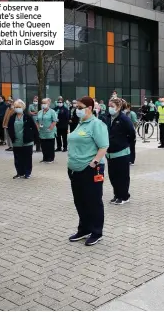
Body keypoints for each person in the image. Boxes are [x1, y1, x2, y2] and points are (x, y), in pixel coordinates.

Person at [67, 96, 109, 246]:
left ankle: (97, 232)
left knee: (93, 201)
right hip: (74, 169)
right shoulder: (80, 124)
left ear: (90, 108)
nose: (76, 110)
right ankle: (84, 229)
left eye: (80, 107)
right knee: (80, 201)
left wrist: (94, 163)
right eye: (76, 107)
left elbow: (103, 146)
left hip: (89, 170)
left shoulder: (96, 124)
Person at [104, 98, 136, 205]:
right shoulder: (108, 118)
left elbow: (132, 134)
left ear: (118, 107)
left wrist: (124, 143)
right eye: (109, 106)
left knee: (122, 176)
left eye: (112, 106)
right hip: (110, 153)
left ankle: (124, 196)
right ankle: (116, 195)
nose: (110, 108)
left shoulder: (124, 119)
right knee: (113, 176)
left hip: (122, 152)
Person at [8, 99, 37, 179]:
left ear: (23, 107)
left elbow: (34, 128)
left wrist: (33, 138)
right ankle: (19, 173)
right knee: (18, 158)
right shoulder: (12, 117)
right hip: (16, 141)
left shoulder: (28, 117)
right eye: (16, 107)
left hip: (27, 142)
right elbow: (9, 128)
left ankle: (27, 173)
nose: (17, 108)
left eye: (19, 107)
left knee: (27, 158)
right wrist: (12, 136)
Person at [37, 98, 57, 163]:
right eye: (42, 103)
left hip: (49, 132)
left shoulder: (52, 112)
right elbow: (37, 121)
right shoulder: (40, 112)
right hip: (42, 132)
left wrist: (50, 128)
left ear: (49, 103)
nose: (43, 104)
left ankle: (51, 158)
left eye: (45, 103)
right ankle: (45, 158)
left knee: (50, 146)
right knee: (43, 146)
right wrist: (38, 128)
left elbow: (54, 121)